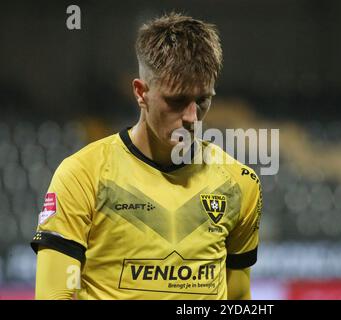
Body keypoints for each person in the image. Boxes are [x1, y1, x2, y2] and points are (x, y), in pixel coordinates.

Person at [31, 12, 262, 300]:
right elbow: (54, 296)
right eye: (176, 101)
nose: (192, 117)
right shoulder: (82, 175)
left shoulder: (240, 183)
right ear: (141, 93)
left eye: (203, 100)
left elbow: (238, 300)